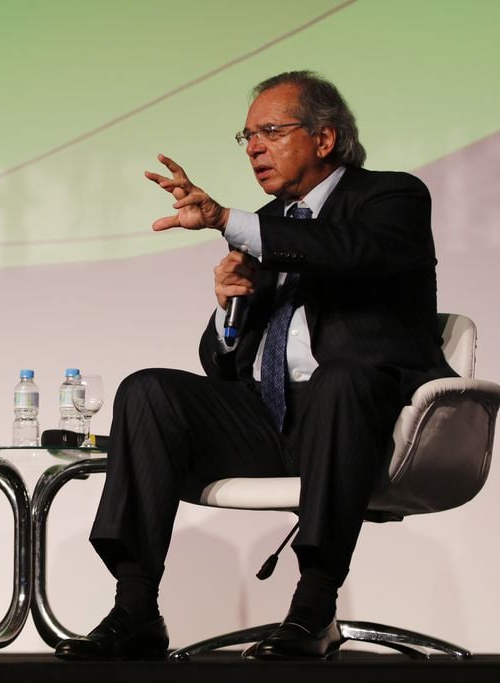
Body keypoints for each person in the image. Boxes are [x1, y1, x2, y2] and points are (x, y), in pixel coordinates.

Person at [54, 71, 453, 661]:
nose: (255, 148)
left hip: (368, 422)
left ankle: (314, 606)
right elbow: (223, 366)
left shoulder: (389, 198)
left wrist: (227, 220)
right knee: (149, 391)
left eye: (270, 131)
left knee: (342, 378)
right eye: (246, 137)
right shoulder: (266, 229)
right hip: (275, 421)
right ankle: (135, 607)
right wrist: (227, 311)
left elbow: (346, 252)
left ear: (325, 139)